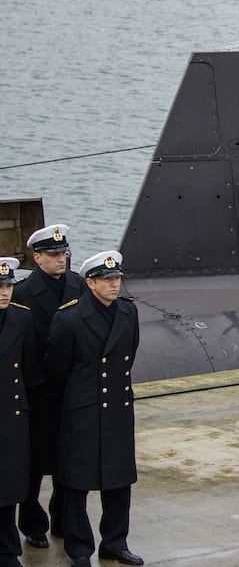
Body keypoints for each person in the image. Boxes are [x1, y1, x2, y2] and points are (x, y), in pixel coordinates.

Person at [44, 251, 143, 566]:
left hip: (116, 407)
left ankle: (115, 542)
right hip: (83, 410)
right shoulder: (69, 317)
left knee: (118, 480)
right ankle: (80, 549)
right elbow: (56, 369)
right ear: (90, 282)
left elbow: (129, 354)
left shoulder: (128, 313)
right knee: (77, 483)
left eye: (117, 279)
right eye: (107, 280)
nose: (115, 285)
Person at [12, 224, 81, 550]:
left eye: (63, 253)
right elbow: (20, 344)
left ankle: (62, 519)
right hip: (40, 390)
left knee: (68, 461)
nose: (60, 259)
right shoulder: (23, 293)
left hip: (71, 388)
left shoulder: (79, 285)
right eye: (53, 254)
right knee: (35, 463)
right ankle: (32, 523)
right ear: (37, 257)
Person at [0, 257, 40, 567]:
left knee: (10, 483)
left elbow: (28, 368)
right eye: (0, 286)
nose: (5, 292)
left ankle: (7, 548)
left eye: (9, 285)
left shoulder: (21, 319)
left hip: (12, 413)